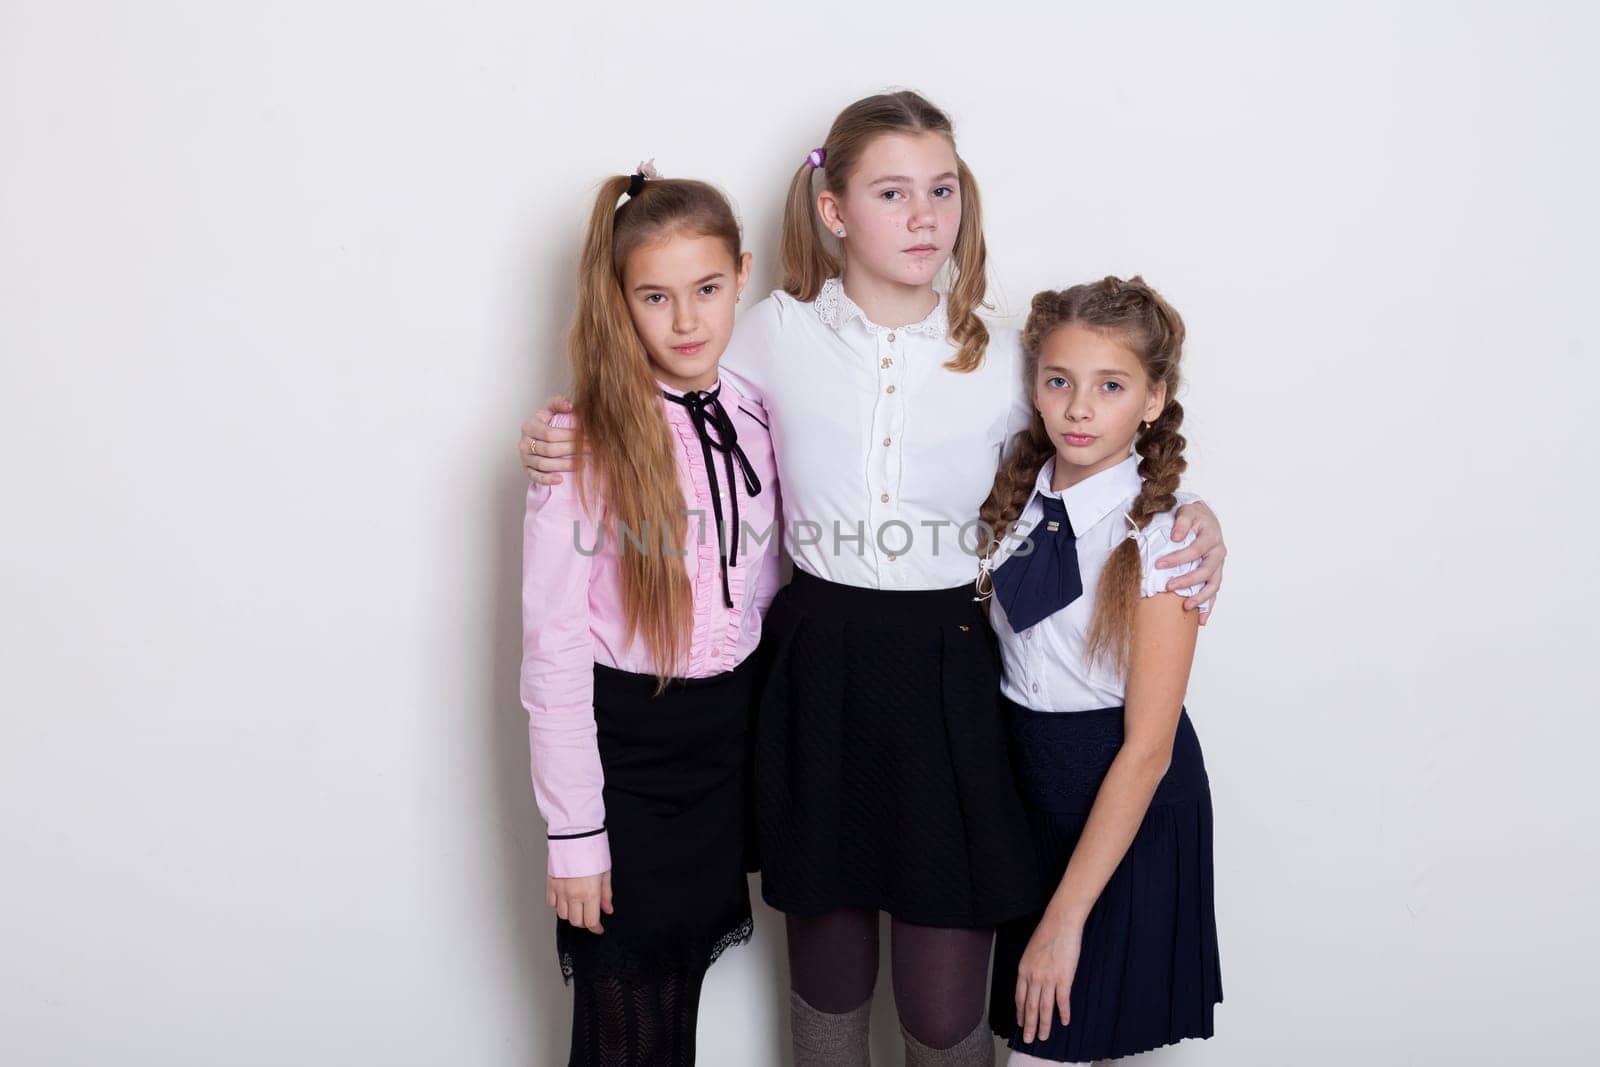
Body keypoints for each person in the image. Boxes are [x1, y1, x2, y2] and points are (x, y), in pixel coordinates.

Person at [520, 91, 1229, 1066]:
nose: (925, 214)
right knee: (827, 980)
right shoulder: (767, 329)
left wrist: (1190, 512)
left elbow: (1099, 431)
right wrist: (564, 429)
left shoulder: (1011, 350)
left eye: (942, 189)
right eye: (892, 192)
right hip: (815, 673)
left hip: (950, 675)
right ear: (833, 210)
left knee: (943, 1006)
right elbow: (668, 387)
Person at [520, 163, 781, 1066]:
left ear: (743, 275)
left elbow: (771, 585)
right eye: (656, 297)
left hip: (722, 754)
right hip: (626, 759)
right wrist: (575, 835)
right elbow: (552, 656)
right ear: (620, 301)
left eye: (707, 289)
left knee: (675, 1006)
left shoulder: (756, 412)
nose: (686, 320)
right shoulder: (582, 442)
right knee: (622, 1020)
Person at [977, 278, 1222, 1064]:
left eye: (1110, 386)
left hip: (1125, 806)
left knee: (1046, 1047)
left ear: (1153, 398)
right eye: (1060, 382)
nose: (1080, 409)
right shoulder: (1009, 502)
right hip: (1034, 800)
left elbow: (1147, 748)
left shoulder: (1162, 540)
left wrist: (1063, 918)